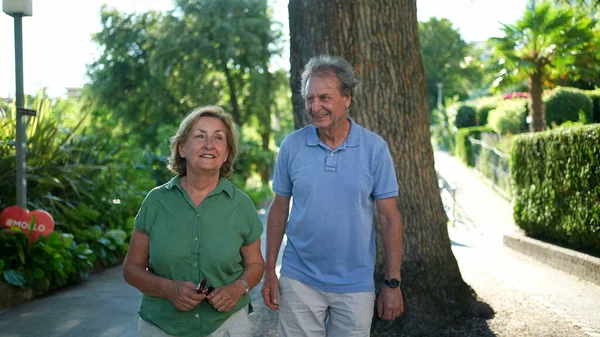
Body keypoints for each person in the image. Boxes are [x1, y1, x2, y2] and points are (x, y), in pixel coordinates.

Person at [261, 55, 404, 336]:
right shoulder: (292, 146)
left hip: (355, 283)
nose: (315, 107)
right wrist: (269, 271)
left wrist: (392, 283)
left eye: (324, 97)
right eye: (309, 99)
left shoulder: (374, 148)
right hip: (299, 278)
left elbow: (389, 219)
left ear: (347, 98)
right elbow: (279, 209)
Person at [123, 105, 265, 337]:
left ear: (227, 152)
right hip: (160, 326)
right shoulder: (156, 201)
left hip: (226, 326)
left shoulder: (241, 205)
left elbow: (256, 265)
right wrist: (167, 289)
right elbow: (131, 269)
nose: (209, 145)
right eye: (199, 136)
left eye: (218, 138)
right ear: (182, 148)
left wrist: (237, 288)